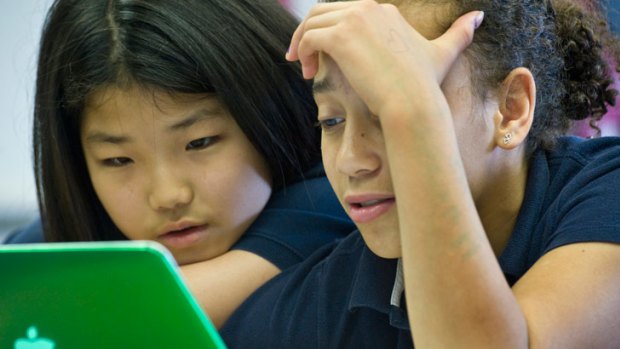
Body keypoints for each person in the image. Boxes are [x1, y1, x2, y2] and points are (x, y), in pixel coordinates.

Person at [220, 0, 620, 347]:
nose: (351, 160)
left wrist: (414, 111)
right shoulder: (317, 307)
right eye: (331, 120)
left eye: (389, 110)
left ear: (511, 108)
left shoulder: (606, 191)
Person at [7, 0, 355, 328]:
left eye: (199, 143)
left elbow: (135, 315)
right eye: (117, 160)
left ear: (271, 115)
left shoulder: (334, 201)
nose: (168, 195)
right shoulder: (52, 237)